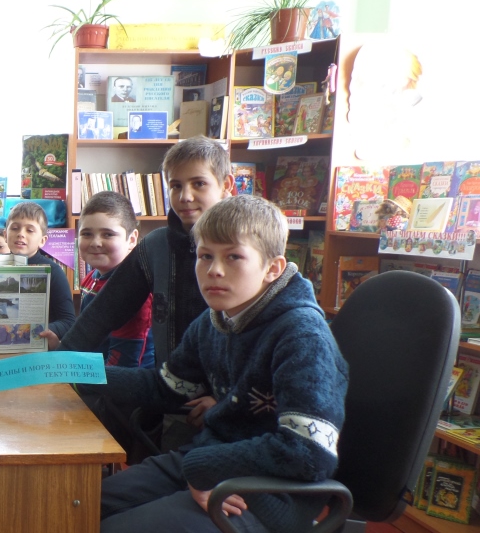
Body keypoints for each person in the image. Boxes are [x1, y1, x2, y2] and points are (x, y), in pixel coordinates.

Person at [96, 195, 348, 533]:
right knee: (77, 502)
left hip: (269, 492)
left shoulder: (302, 334)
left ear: (272, 269)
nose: (214, 269)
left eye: (233, 256)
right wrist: (76, 373)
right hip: (208, 460)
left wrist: (203, 467)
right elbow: (167, 389)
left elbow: (308, 452)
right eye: (205, 256)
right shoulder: (215, 320)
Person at [56, 136, 234, 453]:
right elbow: (102, 314)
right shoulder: (156, 246)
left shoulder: (247, 249)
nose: (185, 196)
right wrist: (60, 363)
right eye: (175, 185)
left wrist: (229, 400)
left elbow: (262, 342)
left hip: (229, 414)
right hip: (170, 402)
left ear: (226, 185)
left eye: (198, 184)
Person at [76, 191, 155, 369]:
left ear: (131, 239)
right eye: (87, 234)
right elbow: (85, 335)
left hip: (122, 380)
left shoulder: (134, 292)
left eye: (108, 234)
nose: (95, 242)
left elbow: (126, 363)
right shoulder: (91, 278)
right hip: (92, 371)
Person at [5, 201, 76, 337]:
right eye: (15, 228)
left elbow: (68, 322)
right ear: (5, 235)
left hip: (37, 341)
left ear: (42, 241)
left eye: (30, 230)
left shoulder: (53, 271)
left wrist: (37, 330)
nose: (21, 234)